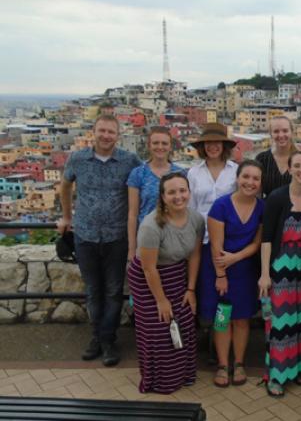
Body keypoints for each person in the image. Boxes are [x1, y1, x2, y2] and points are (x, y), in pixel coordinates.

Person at [58, 114, 142, 366]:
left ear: (118, 135)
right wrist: (65, 217)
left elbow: (148, 177)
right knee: (94, 291)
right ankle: (97, 337)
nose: (106, 136)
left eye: (111, 132)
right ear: (94, 132)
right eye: (102, 131)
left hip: (117, 236)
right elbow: (64, 186)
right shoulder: (78, 159)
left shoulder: (129, 161)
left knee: (114, 291)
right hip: (85, 235)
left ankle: (107, 340)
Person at [127, 172, 204, 394]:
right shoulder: (151, 226)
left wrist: (191, 289)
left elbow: (195, 255)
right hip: (148, 279)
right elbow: (148, 268)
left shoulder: (196, 219)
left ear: (189, 192)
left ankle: (184, 374)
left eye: (182, 190)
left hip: (176, 273)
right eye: (172, 192)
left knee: (184, 322)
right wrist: (161, 300)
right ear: (162, 196)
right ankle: (160, 380)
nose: (178, 196)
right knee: (159, 329)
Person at [259, 151, 301, 397]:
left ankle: (299, 367)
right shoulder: (277, 198)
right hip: (280, 269)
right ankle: (276, 375)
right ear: (290, 168)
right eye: (297, 165)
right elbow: (266, 239)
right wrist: (265, 274)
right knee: (279, 324)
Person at [205, 160, 264, 387]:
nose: (250, 182)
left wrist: (235, 258)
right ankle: (222, 364)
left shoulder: (261, 208)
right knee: (222, 319)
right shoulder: (220, 206)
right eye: (246, 177)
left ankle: (238, 363)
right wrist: (221, 274)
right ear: (237, 179)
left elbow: (257, 243)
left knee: (241, 319)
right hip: (220, 269)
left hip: (246, 270)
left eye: (255, 178)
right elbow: (215, 245)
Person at [187, 122, 238, 357]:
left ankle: (221, 346)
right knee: (208, 295)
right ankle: (213, 339)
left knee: (225, 296)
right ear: (202, 146)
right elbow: (190, 209)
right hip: (203, 242)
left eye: (217, 142)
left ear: (224, 145)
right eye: (208, 143)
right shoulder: (193, 173)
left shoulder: (235, 171)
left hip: (230, 242)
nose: (213, 147)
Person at [128, 126, 184, 262]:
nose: (160, 147)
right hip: (146, 238)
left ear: (170, 147)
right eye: (156, 143)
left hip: (173, 239)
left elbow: (184, 210)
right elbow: (133, 213)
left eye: (164, 143)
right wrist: (132, 248)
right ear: (149, 146)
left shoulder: (181, 173)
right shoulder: (138, 174)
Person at [256, 115, 296, 198]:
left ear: (291, 132)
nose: (281, 135)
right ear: (270, 134)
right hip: (268, 209)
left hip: (295, 209)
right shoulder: (262, 159)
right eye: (276, 131)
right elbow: (257, 191)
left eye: (285, 131)